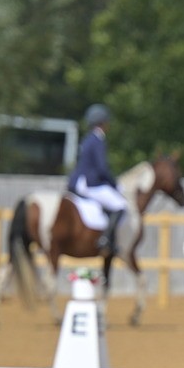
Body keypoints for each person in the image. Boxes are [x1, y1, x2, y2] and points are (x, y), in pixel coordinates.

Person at [67, 104, 127, 257]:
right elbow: (102, 168)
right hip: (90, 184)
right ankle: (106, 239)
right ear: (103, 122)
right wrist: (114, 184)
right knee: (121, 205)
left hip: (79, 182)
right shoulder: (98, 139)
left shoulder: (87, 139)